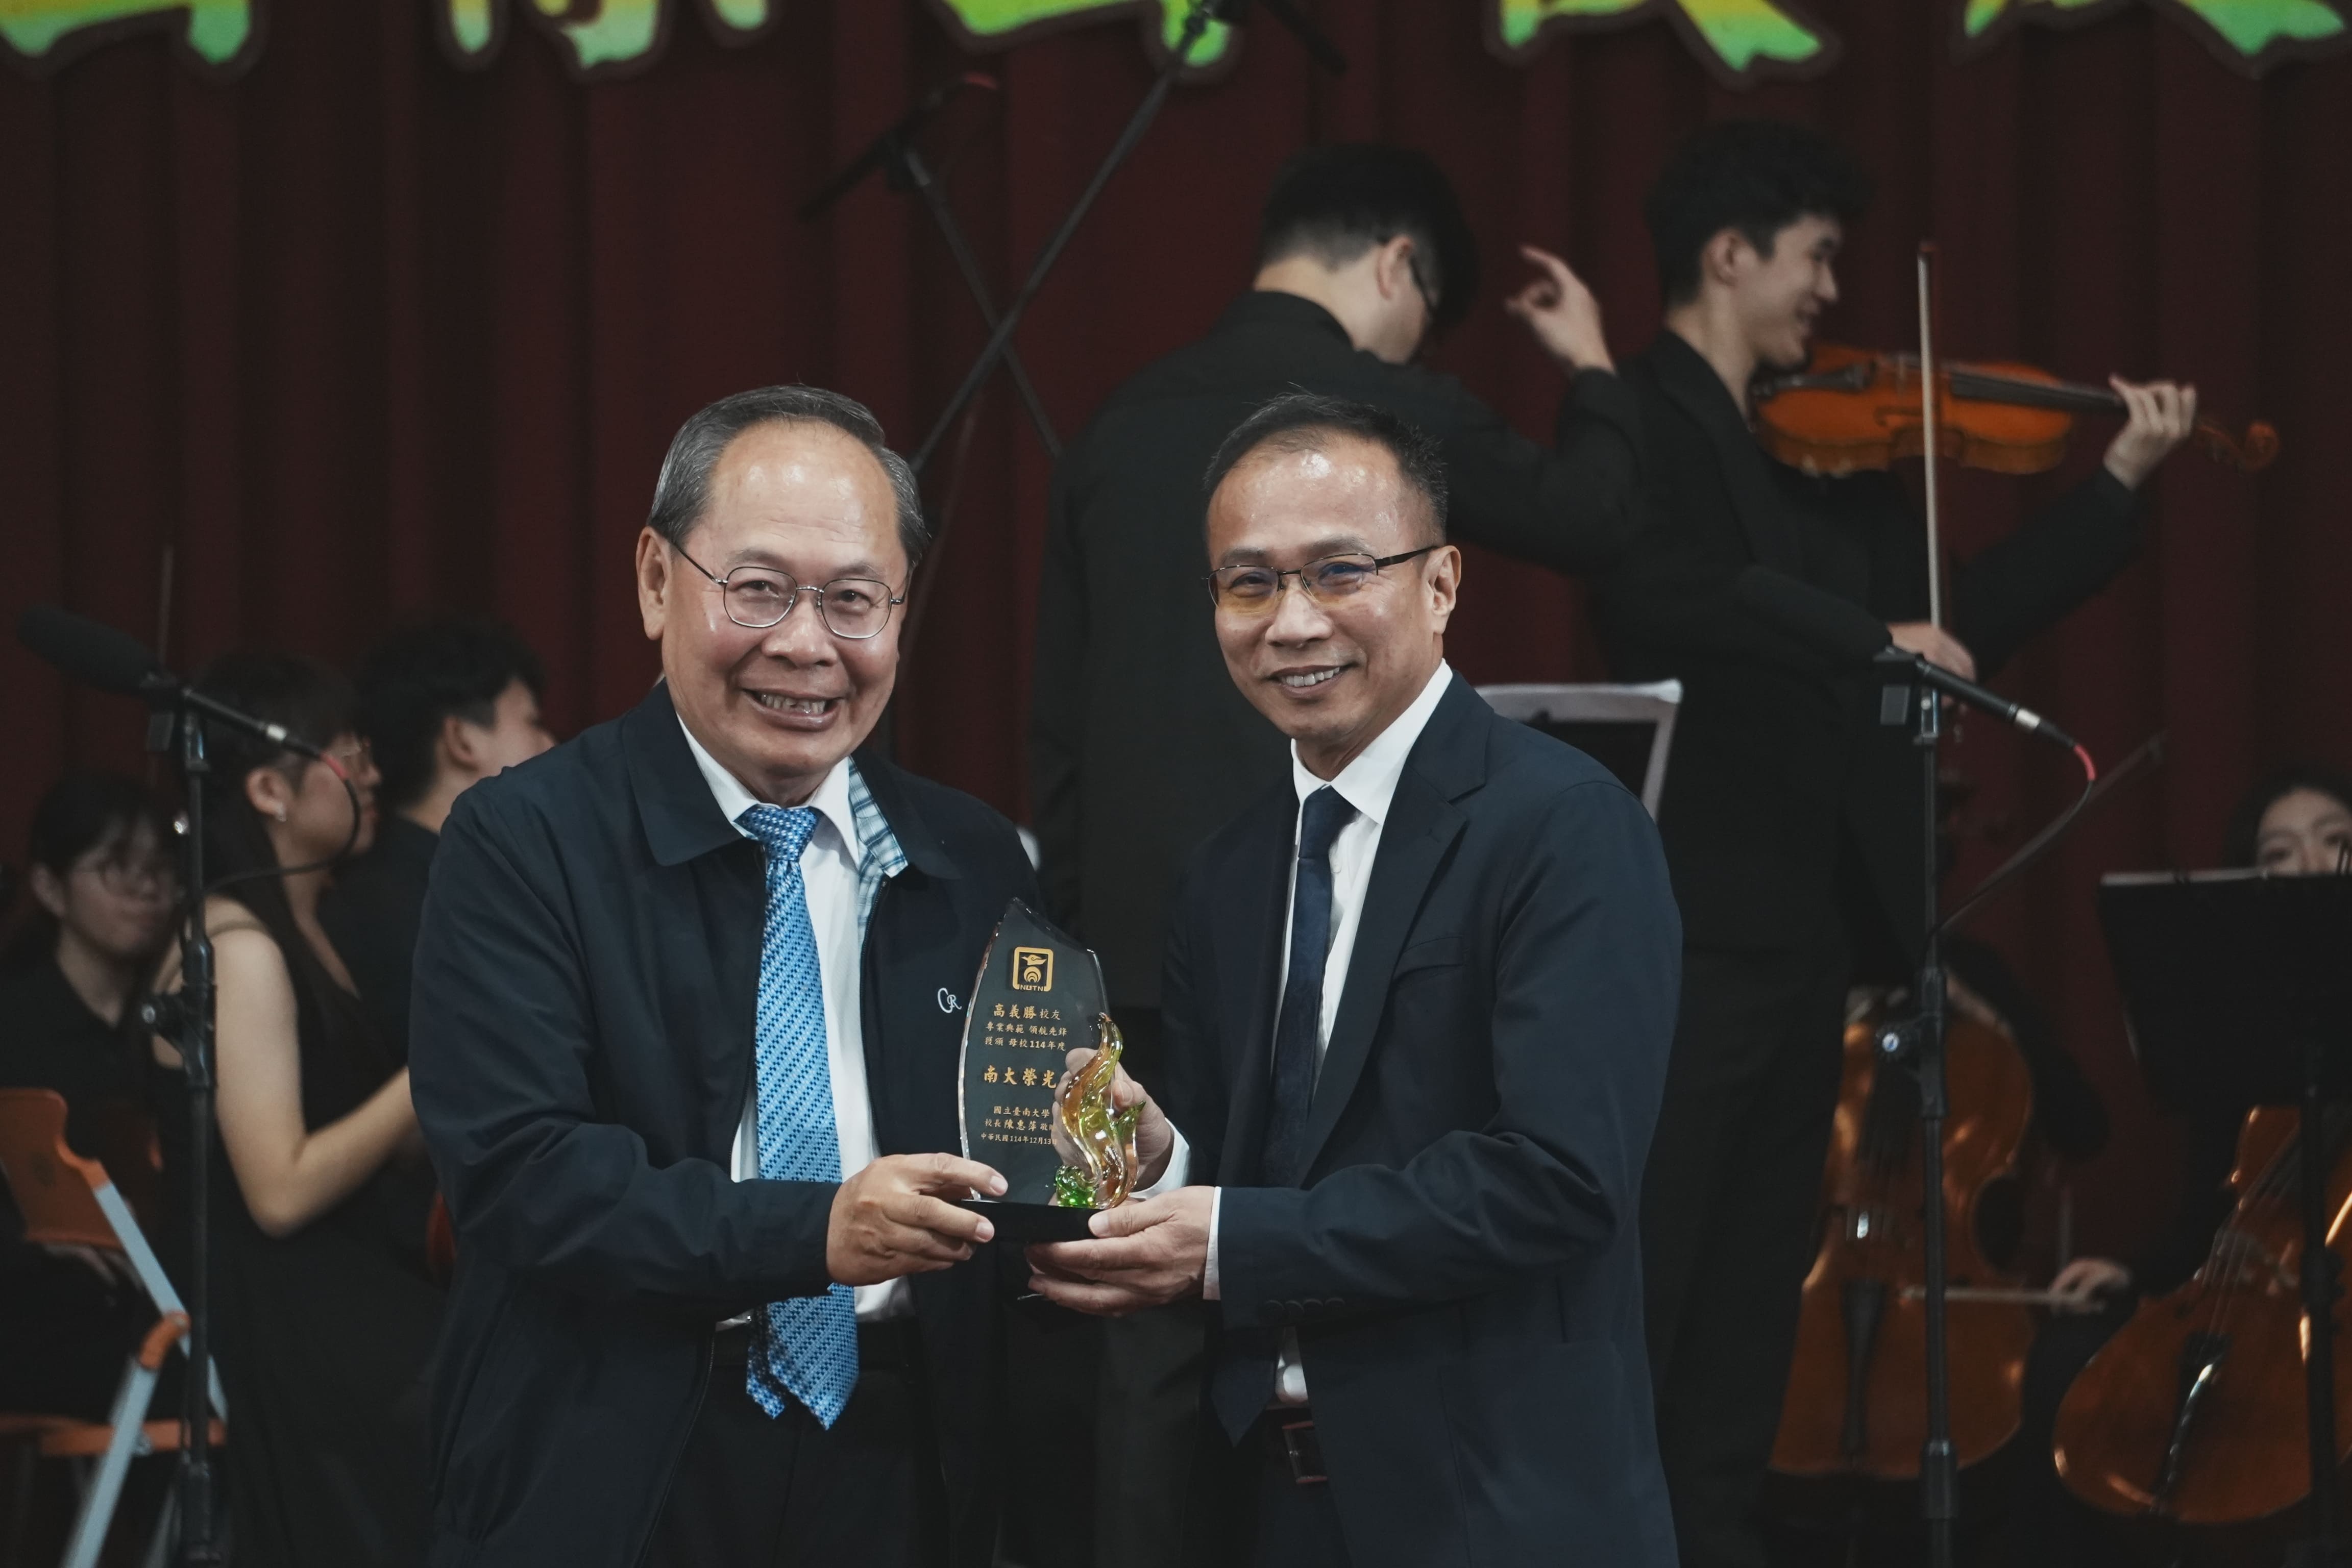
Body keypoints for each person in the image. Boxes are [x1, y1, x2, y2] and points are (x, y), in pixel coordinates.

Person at [1583, 119, 2204, 1568]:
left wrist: (2116, 485)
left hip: (1815, 927)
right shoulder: (1637, 420)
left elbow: (1955, 620)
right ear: (1728, 255)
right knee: (1655, 1277)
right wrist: (1862, 633)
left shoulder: (1833, 460)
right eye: (1814, 259)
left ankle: (1712, 1539)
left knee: (1750, 1300)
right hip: (1690, 919)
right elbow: (1658, 597)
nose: (1828, 292)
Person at [1027, 142, 1643, 1559]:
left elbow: (1558, 1179)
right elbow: (1254, 1159)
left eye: (1339, 572)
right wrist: (1163, 1157)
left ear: (1442, 583)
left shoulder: (1564, 827)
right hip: (1275, 1503)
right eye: (1248, 584)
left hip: (1493, 1509)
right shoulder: (1230, 876)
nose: (1291, 620)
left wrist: (1229, 1235)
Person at [408, 386, 1035, 1568]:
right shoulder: (525, 840)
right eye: (757, 589)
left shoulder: (973, 855)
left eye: (854, 600)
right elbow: (522, 1175)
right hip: (618, 1442)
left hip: (905, 1453)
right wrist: (816, 1229)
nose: (805, 644)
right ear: (657, 579)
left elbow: (1012, 1153)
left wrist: (1112, 1150)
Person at [1974, 763, 2352, 1568]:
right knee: (2065, 1362)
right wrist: (2130, 1271)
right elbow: (2208, 1222)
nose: (2311, 866)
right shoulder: (2242, 1029)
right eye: (2279, 854)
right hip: (2249, 1301)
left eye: (2335, 843)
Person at [146, 650, 443, 1568]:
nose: (370, 774)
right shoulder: (238, 949)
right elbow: (278, 1190)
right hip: (283, 1304)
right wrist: (432, 1072)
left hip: (338, 1275)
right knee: (509, 1389)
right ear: (270, 790)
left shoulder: (313, 924)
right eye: (347, 754)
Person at [0, 772, 176, 1423]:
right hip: (41, 1310)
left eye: (159, 868)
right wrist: (39, 1239)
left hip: (163, 1301)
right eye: (116, 868)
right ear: (50, 889)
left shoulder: (173, 1015)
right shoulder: (14, 1022)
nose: (148, 889)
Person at [320, 615, 552, 1057]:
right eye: (532, 723)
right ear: (462, 740)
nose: (549, 744)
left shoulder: (390, 885)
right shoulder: (437, 904)